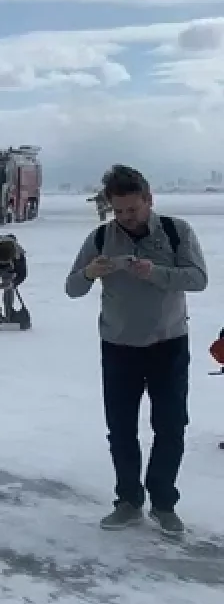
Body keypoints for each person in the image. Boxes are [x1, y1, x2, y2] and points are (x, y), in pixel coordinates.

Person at [65, 164, 208, 535]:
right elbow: (72, 288)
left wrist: (155, 272)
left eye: (133, 209)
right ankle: (128, 500)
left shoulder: (177, 232)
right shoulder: (100, 239)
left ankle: (163, 502)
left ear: (149, 200)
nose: (127, 217)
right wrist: (89, 274)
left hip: (169, 345)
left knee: (171, 427)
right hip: (119, 348)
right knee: (122, 429)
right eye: (119, 211)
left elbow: (198, 279)